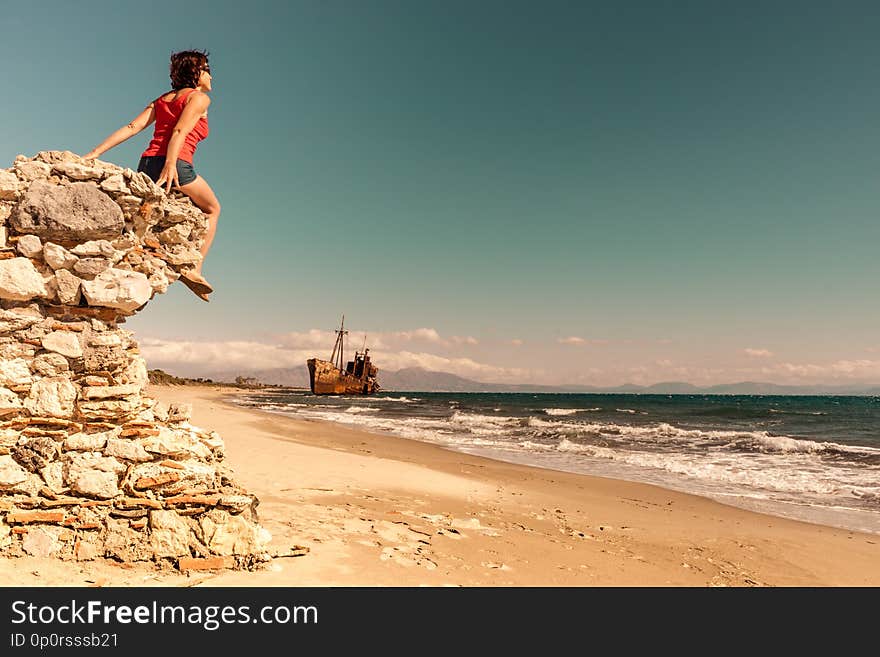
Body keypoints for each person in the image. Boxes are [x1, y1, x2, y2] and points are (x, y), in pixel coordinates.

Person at [83, 49, 219, 302]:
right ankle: (195, 268)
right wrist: (170, 165)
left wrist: (94, 152)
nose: (211, 75)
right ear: (197, 73)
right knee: (213, 209)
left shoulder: (162, 100)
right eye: (208, 70)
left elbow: (132, 127)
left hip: (146, 163)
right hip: (175, 162)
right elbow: (179, 131)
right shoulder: (198, 99)